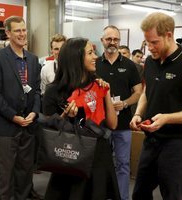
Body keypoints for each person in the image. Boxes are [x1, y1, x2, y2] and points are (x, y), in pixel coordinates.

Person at [43, 37, 121, 200]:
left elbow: (113, 124)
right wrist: (65, 117)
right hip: (71, 159)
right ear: (76, 58)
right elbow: (49, 132)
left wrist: (106, 93)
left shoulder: (98, 84)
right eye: (90, 53)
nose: (96, 57)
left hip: (99, 157)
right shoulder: (54, 91)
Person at [0, 16, 41, 200]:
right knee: (6, 174)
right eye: (17, 30)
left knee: (25, 172)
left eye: (24, 30)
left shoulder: (32, 60)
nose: (22, 34)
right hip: (7, 127)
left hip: (28, 125)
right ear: (8, 33)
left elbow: (37, 91)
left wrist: (34, 112)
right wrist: (13, 116)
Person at [130, 12, 182, 200]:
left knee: (172, 195)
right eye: (147, 43)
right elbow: (146, 91)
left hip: (176, 142)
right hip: (151, 140)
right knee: (140, 193)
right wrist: (137, 114)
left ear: (169, 35)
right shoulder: (150, 62)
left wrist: (167, 118)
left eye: (154, 42)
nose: (150, 48)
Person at [96, 25, 142, 200]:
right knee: (100, 164)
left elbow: (138, 92)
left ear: (119, 41)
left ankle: (122, 197)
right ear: (102, 40)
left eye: (115, 39)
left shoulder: (129, 66)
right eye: (109, 39)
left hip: (123, 124)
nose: (112, 42)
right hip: (100, 125)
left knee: (123, 164)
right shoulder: (95, 64)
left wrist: (124, 103)